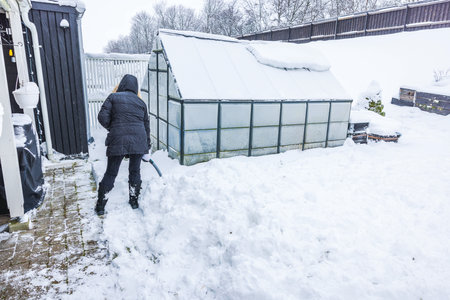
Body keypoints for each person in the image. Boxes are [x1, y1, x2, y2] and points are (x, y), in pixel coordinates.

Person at [95, 74, 151, 215]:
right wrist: (147, 147)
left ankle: (101, 206)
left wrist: (113, 127)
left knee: (111, 172)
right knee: (135, 171)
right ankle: (134, 201)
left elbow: (102, 117)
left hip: (118, 140)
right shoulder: (141, 102)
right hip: (139, 140)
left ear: (121, 85)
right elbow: (146, 126)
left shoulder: (113, 97)